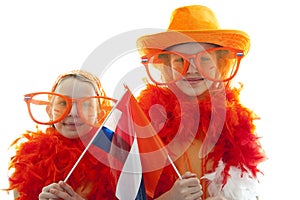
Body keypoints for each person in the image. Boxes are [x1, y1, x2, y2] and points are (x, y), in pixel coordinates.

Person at [135, 5, 266, 200]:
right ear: (167, 67)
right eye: (180, 60)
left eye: (204, 58)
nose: (192, 70)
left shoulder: (235, 123)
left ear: (220, 64)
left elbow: (249, 191)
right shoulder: (145, 121)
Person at [6, 69, 118, 199]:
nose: (73, 112)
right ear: (49, 111)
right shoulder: (27, 163)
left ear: (99, 115)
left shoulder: (118, 160)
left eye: (86, 104)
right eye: (63, 103)